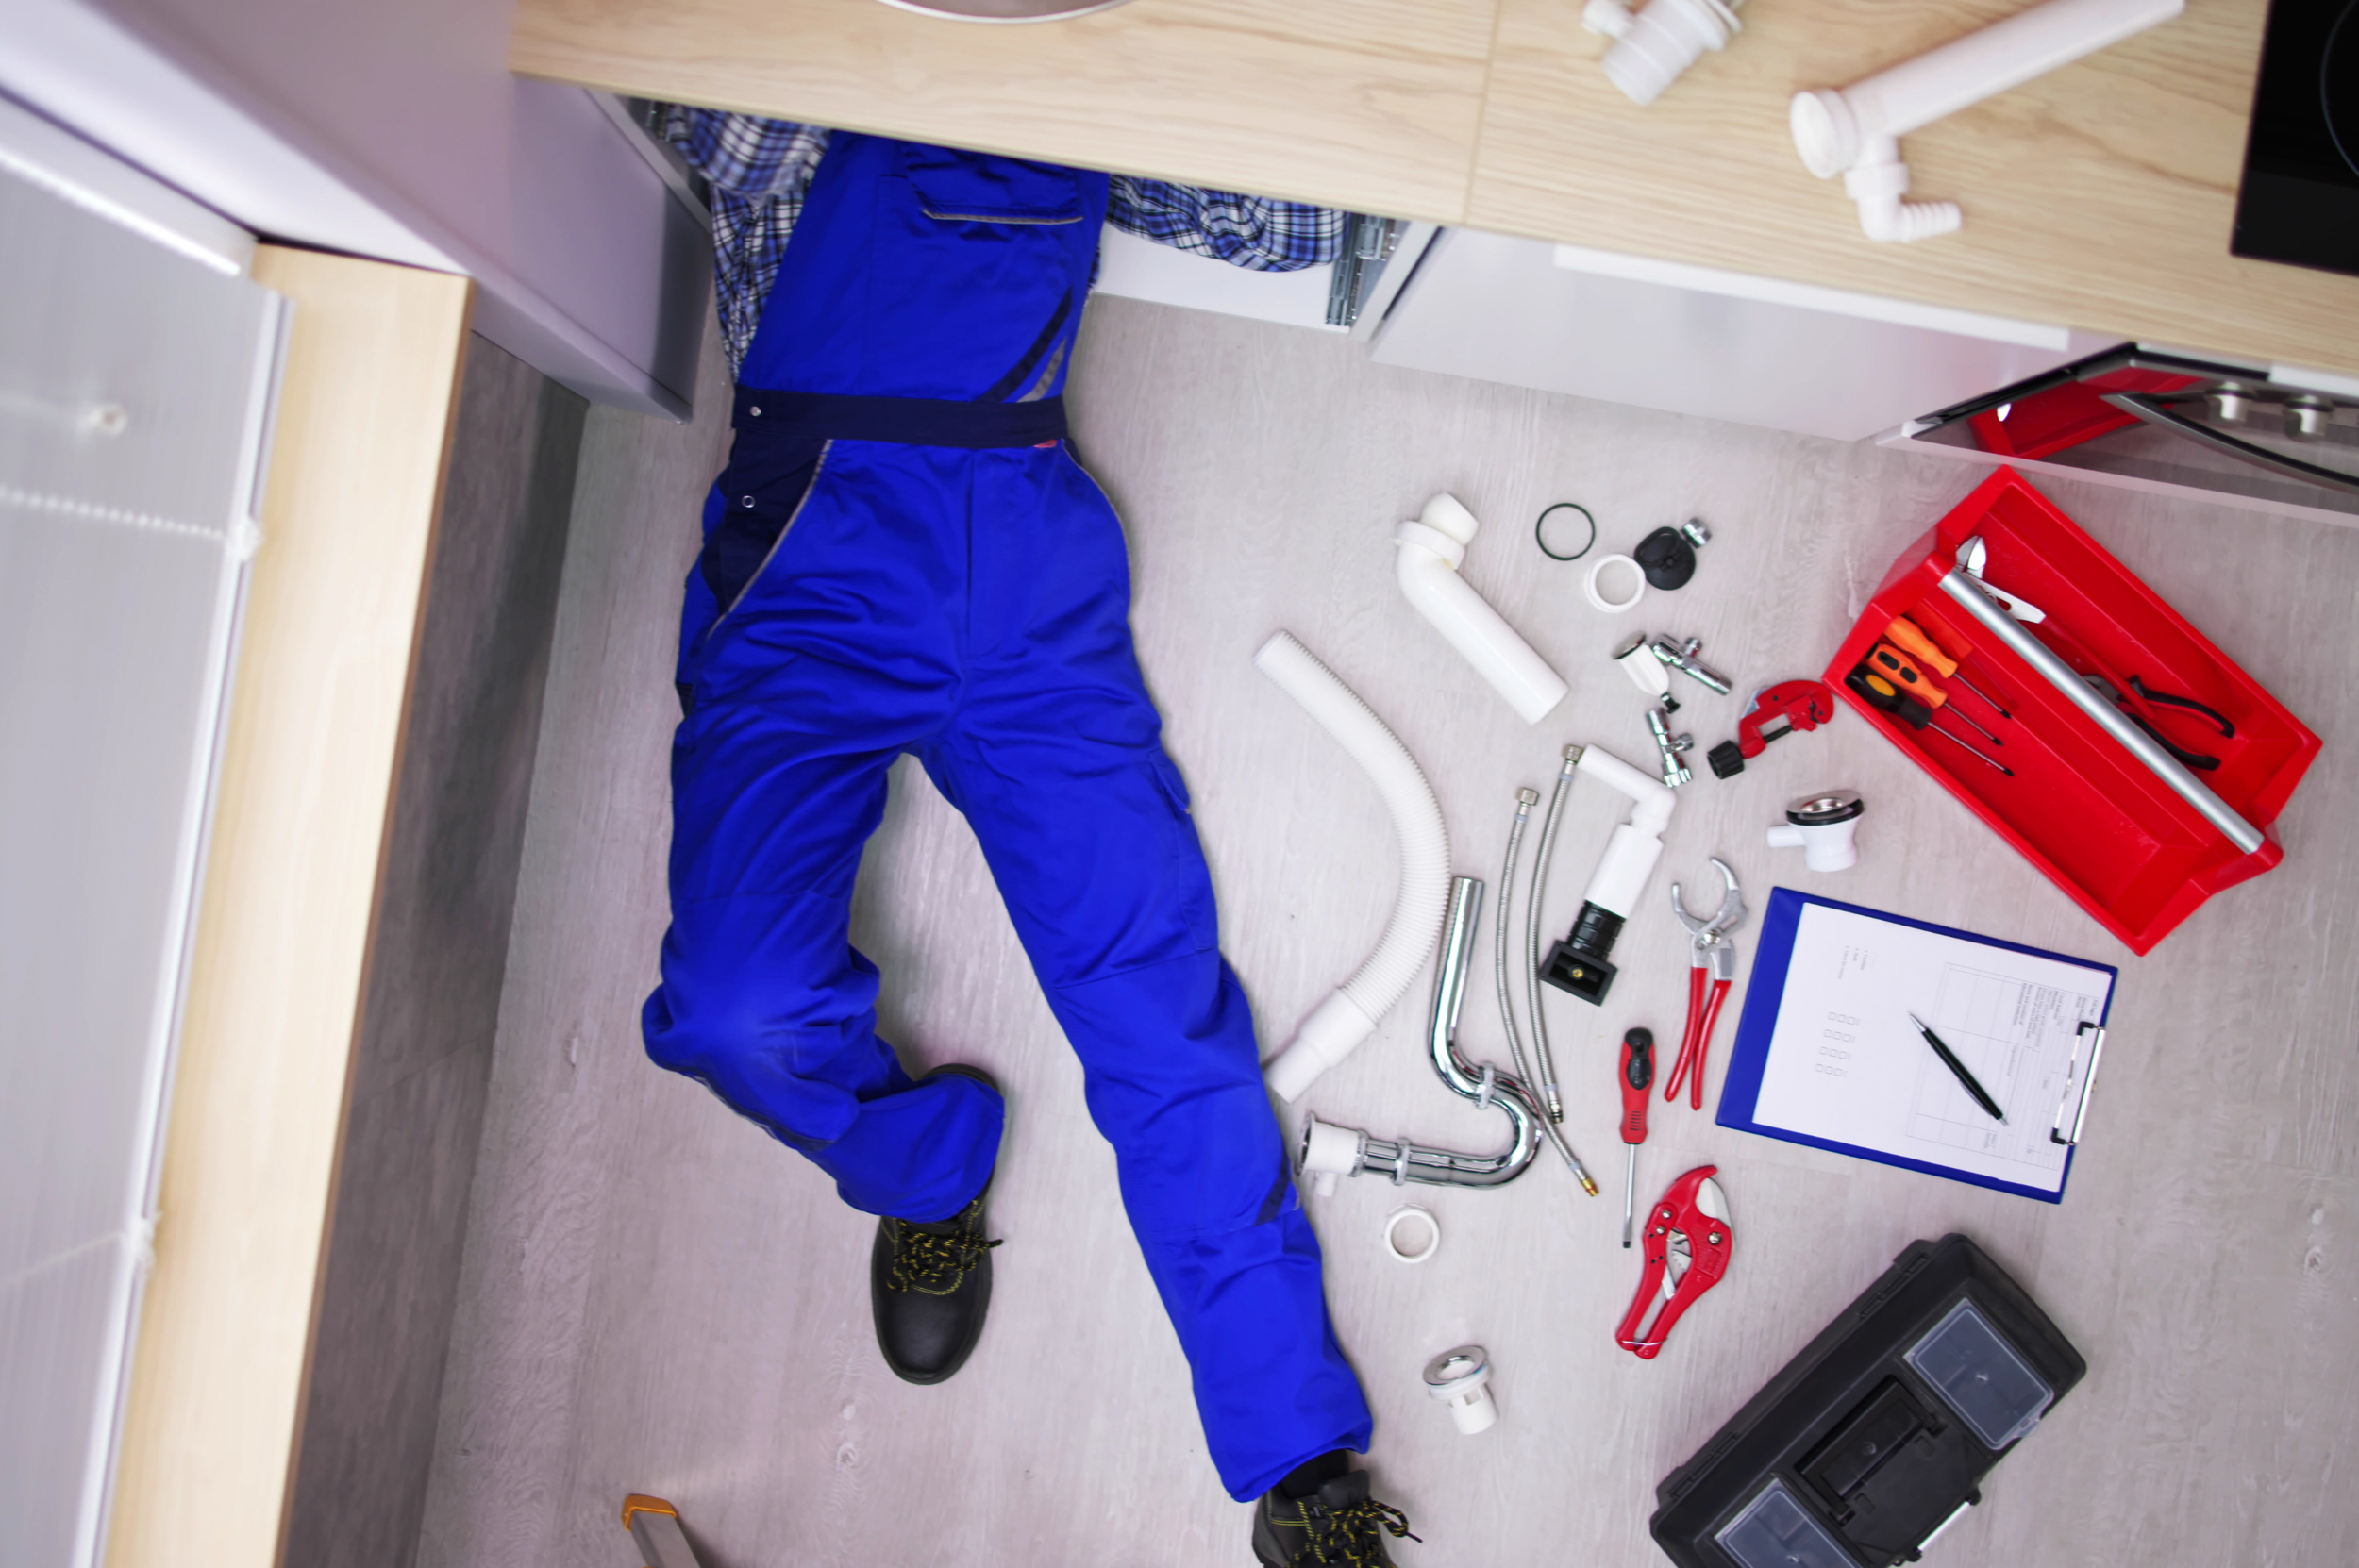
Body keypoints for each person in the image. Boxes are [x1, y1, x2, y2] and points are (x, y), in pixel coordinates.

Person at [643, 109, 1415, 1566]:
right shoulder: (791, 92)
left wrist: (1140, 81)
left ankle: (1297, 1454)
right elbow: (708, 107)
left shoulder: (1088, 55)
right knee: (738, 1014)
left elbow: (1315, 233)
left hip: (1028, 581)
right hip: (816, 571)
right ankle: (928, 1168)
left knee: (1158, 1009)